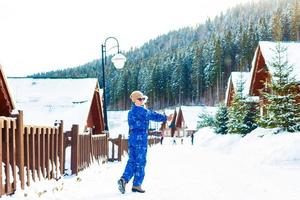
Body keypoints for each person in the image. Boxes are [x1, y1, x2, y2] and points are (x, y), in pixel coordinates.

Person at [118, 91, 173, 194]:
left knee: (132, 160)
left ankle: (124, 179)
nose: (142, 100)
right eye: (140, 99)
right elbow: (154, 115)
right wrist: (166, 118)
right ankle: (137, 184)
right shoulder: (143, 111)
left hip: (132, 137)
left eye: (143, 99)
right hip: (141, 138)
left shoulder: (130, 112)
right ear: (135, 100)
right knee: (141, 162)